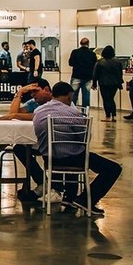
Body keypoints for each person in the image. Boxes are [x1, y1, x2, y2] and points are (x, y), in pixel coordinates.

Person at [30, 82, 121, 216]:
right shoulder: (72, 113)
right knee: (113, 168)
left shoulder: (38, 112)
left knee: (75, 152)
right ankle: (85, 200)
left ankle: (70, 198)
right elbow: (84, 139)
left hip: (49, 158)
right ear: (69, 96)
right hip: (72, 158)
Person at [0, 78, 52, 203]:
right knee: (19, 148)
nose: (33, 95)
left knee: (29, 148)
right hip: (38, 140)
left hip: (56, 141)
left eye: (35, 91)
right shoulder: (33, 103)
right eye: (31, 92)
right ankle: (42, 182)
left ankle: (49, 185)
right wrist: (20, 93)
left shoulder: (56, 102)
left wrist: (16, 116)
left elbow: (38, 116)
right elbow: (12, 113)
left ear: (46, 89)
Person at [92, 45, 124, 122]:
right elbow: (120, 73)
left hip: (104, 83)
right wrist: (120, 82)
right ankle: (114, 116)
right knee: (111, 99)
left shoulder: (100, 62)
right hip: (115, 83)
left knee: (106, 99)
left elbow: (95, 74)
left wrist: (94, 84)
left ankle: (108, 116)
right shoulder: (118, 62)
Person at [67, 38, 97, 115]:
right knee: (86, 95)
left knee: (73, 95)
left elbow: (70, 63)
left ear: (80, 43)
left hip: (76, 76)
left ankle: (72, 112)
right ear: (88, 44)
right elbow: (95, 66)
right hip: (88, 77)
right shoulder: (92, 54)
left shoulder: (75, 52)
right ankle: (85, 113)